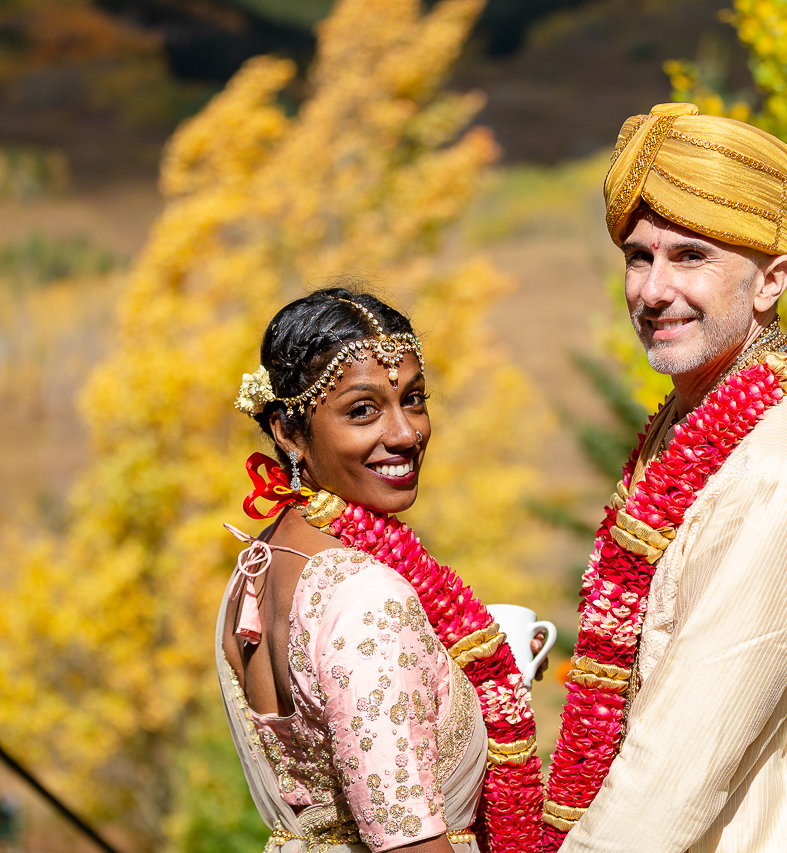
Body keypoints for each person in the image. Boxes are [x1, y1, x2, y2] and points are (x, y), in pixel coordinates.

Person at [541, 104, 787, 852]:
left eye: (690, 256)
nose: (653, 290)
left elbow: (679, 764)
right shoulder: (688, 419)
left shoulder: (774, 468)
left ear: (772, 279)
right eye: (640, 256)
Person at [217, 287, 545, 853]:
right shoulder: (369, 602)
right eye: (362, 410)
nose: (405, 433)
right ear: (287, 431)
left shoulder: (259, 563)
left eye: (414, 399)